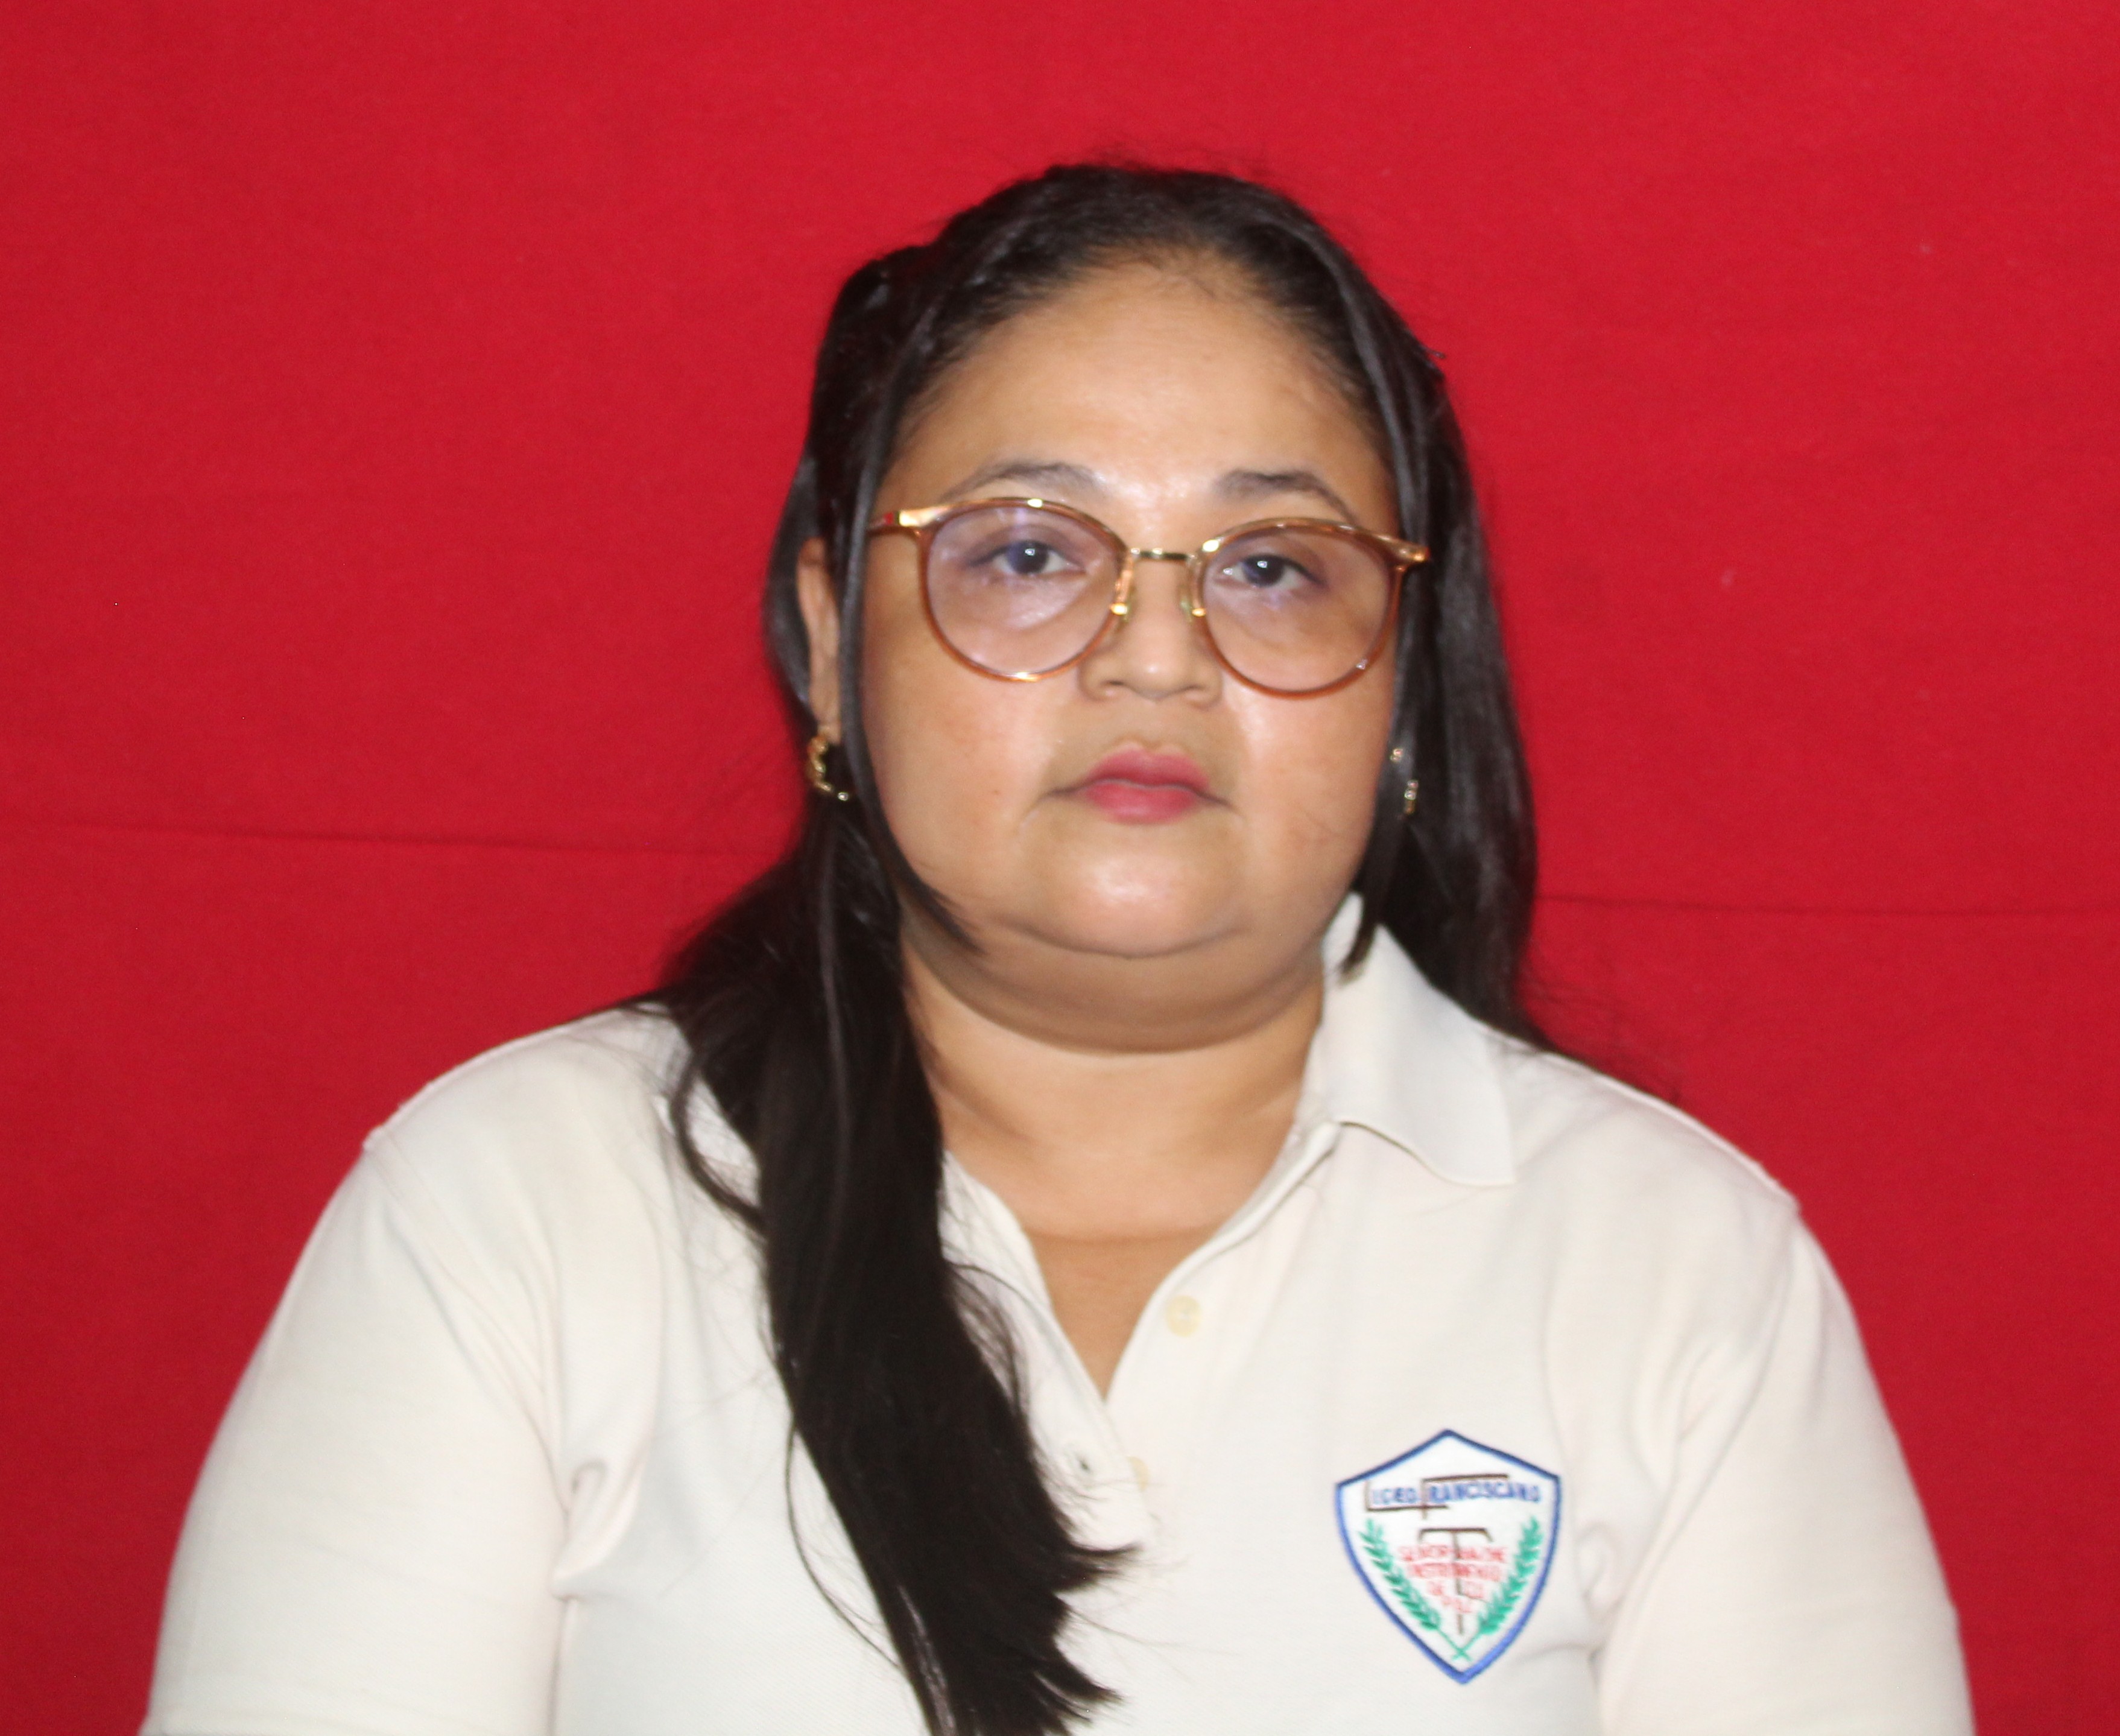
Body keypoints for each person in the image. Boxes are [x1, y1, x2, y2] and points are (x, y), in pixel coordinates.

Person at [143, 165, 1972, 1736]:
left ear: (1407, 683)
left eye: (1270, 565)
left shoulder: (1671, 1272)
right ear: (829, 642)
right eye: (1026, 554)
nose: (1151, 656)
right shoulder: (518, 1216)